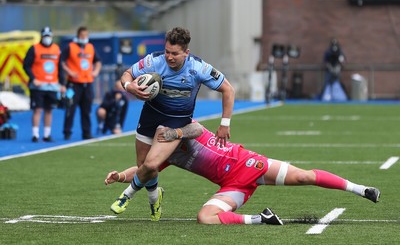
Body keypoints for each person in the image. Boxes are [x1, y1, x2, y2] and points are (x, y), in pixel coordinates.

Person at [105, 121, 381, 225]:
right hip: (231, 184)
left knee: (304, 176)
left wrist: (174, 131)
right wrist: (120, 176)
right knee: (205, 217)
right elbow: (143, 169)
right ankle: (262, 219)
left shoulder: (181, 128)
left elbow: (198, 128)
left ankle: (361, 189)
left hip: (246, 163)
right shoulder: (162, 157)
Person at [114, 27, 235, 221]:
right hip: (150, 114)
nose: (169, 57)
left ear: (186, 52)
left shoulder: (199, 68)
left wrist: (225, 124)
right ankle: (155, 199)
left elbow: (228, 90)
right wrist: (130, 87)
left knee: (152, 164)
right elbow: (127, 74)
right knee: (144, 167)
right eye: (167, 51)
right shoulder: (154, 60)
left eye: (175, 54)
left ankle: (126, 196)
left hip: (176, 119)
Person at [23, 26, 65, 142]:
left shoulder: (56, 49)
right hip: (38, 85)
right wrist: (33, 79)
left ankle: (47, 134)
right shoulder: (34, 49)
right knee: (38, 109)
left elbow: (59, 67)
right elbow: (26, 65)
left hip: (52, 85)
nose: (47, 38)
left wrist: (62, 84)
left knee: (49, 109)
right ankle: (35, 134)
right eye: (45, 36)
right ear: (41, 37)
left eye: (49, 36)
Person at [61, 26, 102, 140]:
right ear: (78, 36)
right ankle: (67, 132)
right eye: (82, 36)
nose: (84, 38)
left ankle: (87, 132)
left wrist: (96, 71)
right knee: (71, 108)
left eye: (86, 36)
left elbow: (98, 61)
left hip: (87, 83)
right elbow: (61, 61)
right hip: (74, 84)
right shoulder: (70, 47)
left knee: (87, 109)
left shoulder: (90, 47)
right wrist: (69, 71)